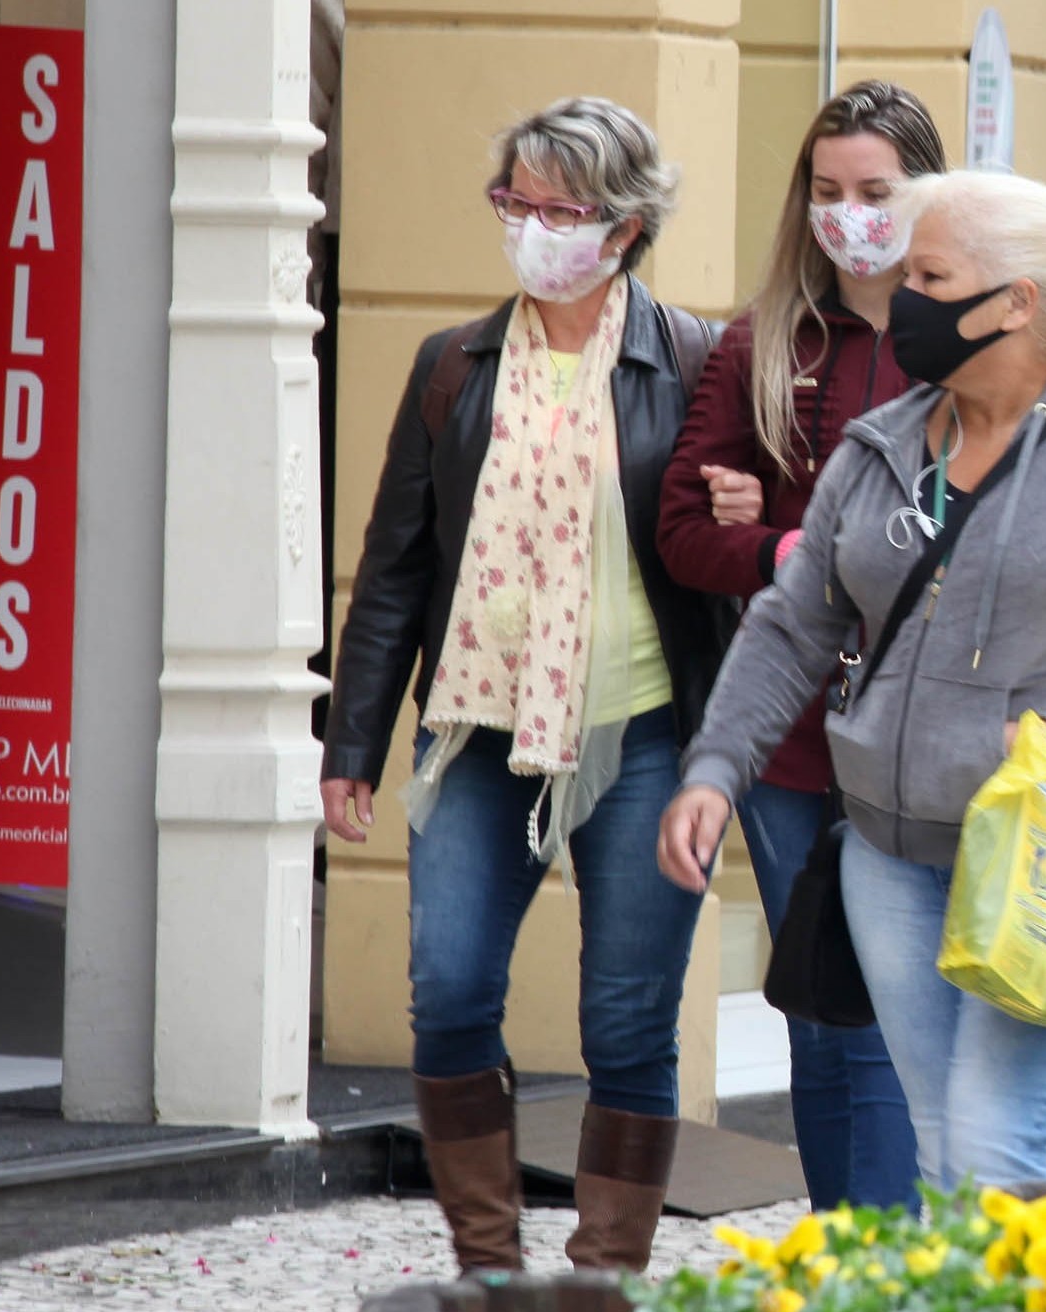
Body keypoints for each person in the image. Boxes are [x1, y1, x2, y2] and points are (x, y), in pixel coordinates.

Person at [658, 170, 1046, 1189]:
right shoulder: (879, 447)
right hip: (889, 858)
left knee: (986, 1145)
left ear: (1016, 302)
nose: (901, 298)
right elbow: (796, 621)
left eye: (930, 274)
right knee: (941, 1148)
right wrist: (716, 767)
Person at [320, 98, 722, 1275]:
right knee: (447, 992)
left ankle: (604, 1278)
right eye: (519, 203)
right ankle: (488, 1267)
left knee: (628, 1022)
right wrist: (352, 746)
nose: (537, 229)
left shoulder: (694, 360)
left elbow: (723, 557)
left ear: (628, 226)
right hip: (476, 724)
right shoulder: (453, 364)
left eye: (566, 208)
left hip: (641, 728)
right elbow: (394, 568)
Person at [653, 80, 937, 1212]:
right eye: (828, 192)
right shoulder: (762, 344)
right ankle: (847, 1247)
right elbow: (682, 533)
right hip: (789, 741)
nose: (850, 214)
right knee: (819, 1010)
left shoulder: (964, 340)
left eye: (876, 191)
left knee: (883, 1012)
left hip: (927, 738)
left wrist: (772, 529)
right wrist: (785, 554)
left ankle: (889, 1260)